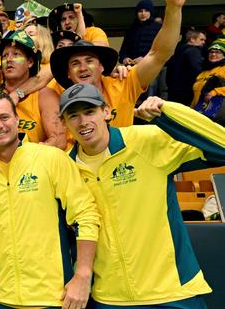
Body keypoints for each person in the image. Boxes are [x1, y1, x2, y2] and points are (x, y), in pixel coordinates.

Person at [59, 83, 221, 307]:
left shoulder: (146, 141)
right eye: (73, 116)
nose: (83, 122)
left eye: (89, 112)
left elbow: (221, 147)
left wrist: (168, 112)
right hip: (110, 298)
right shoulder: (65, 168)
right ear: (64, 123)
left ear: (106, 111)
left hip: (172, 293)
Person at [0, 90, 100, 308]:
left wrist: (82, 275)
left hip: (53, 297)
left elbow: (86, 215)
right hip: (5, 297)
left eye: (4, 117)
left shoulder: (50, 158)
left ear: (17, 120)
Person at [50, 0, 191, 127]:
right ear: (67, 72)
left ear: (102, 67)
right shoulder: (55, 95)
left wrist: (173, 8)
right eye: (75, 63)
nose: (83, 68)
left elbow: (159, 54)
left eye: (89, 61)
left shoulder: (123, 84)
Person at [0, 30, 66, 148]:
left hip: (33, 164)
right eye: (5, 55)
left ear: (30, 62)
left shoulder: (45, 95)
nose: (9, 59)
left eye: (16, 54)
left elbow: (59, 140)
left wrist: (30, 156)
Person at [120, 0, 165, 98]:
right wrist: (125, 58)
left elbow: (161, 50)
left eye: (146, 11)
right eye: (140, 11)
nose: (143, 14)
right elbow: (123, 50)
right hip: (132, 69)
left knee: (150, 92)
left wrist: (145, 59)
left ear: (151, 12)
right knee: (131, 94)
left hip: (152, 68)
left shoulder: (158, 28)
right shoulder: (131, 29)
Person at [166, 29, 206, 105]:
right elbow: (197, 70)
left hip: (173, 89)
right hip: (187, 90)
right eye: (201, 39)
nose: (203, 42)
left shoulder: (177, 50)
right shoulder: (193, 51)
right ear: (192, 39)